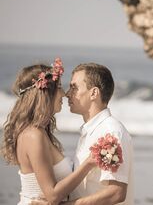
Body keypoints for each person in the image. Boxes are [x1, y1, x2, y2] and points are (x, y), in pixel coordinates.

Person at [1, 59, 96, 205]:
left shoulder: (38, 131)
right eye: (58, 87)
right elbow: (52, 195)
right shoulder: (33, 135)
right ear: (45, 93)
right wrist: (88, 164)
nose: (64, 93)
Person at [61, 63, 134, 205]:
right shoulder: (91, 131)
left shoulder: (110, 132)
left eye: (74, 87)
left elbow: (116, 193)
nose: (67, 93)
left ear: (94, 93)